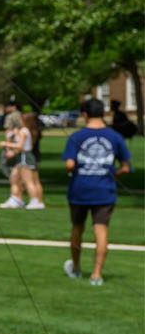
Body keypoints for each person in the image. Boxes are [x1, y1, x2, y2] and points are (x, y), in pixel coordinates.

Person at [62, 97, 132, 285]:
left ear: (84, 114)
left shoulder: (76, 136)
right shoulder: (115, 137)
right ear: (103, 113)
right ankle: (96, 274)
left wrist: (77, 169)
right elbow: (126, 167)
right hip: (105, 190)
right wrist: (112, 174)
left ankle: (76, 268)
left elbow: (69, 164)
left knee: (77, 228)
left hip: (79, 190)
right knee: (100, 231)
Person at [0, 110, 41, 209]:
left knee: (28, 181)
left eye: (21, 119)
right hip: (21, 157)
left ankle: (35, 201)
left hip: (24, 157)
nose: (19, 121)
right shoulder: (24, 131)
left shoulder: (23, 131)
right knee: (14, 178)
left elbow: (20, 146)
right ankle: (15, 199)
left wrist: (5, 144)